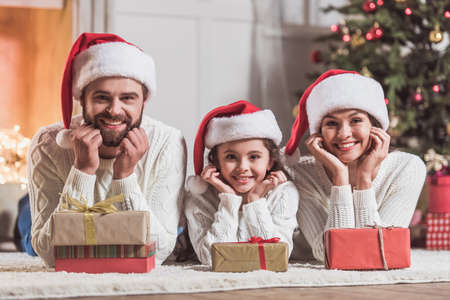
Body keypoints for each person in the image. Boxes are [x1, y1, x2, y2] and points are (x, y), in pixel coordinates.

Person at [27, 33, 187, 267]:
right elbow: (51, 256)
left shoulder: (168, 141)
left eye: (128, 98)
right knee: (26, 233)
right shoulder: (47, 142)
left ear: (144, 101)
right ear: (82, 99)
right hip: (58, 188)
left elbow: (158, 253)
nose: (114, 110)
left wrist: (125, 177)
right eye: (102, 98)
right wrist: (82, 171)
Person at [284, 69, 426, 262]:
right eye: (332, 124)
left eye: (356, 120)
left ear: (375, 126)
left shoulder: (407, 168)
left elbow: (380, 250)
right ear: (318, 134)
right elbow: (331, 254)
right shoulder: (300, 173)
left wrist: (364, 179)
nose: (344, 134)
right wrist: (340, 179)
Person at [184, 100, 299, 265]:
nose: (243, 167)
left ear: (270, 161)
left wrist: (255, 201)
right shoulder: (200, 197)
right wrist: (229, 201)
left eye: (254, 157)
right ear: (216, 161)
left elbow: (276, 256)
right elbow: (210, 259)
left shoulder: (283, 193)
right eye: (231, 157)